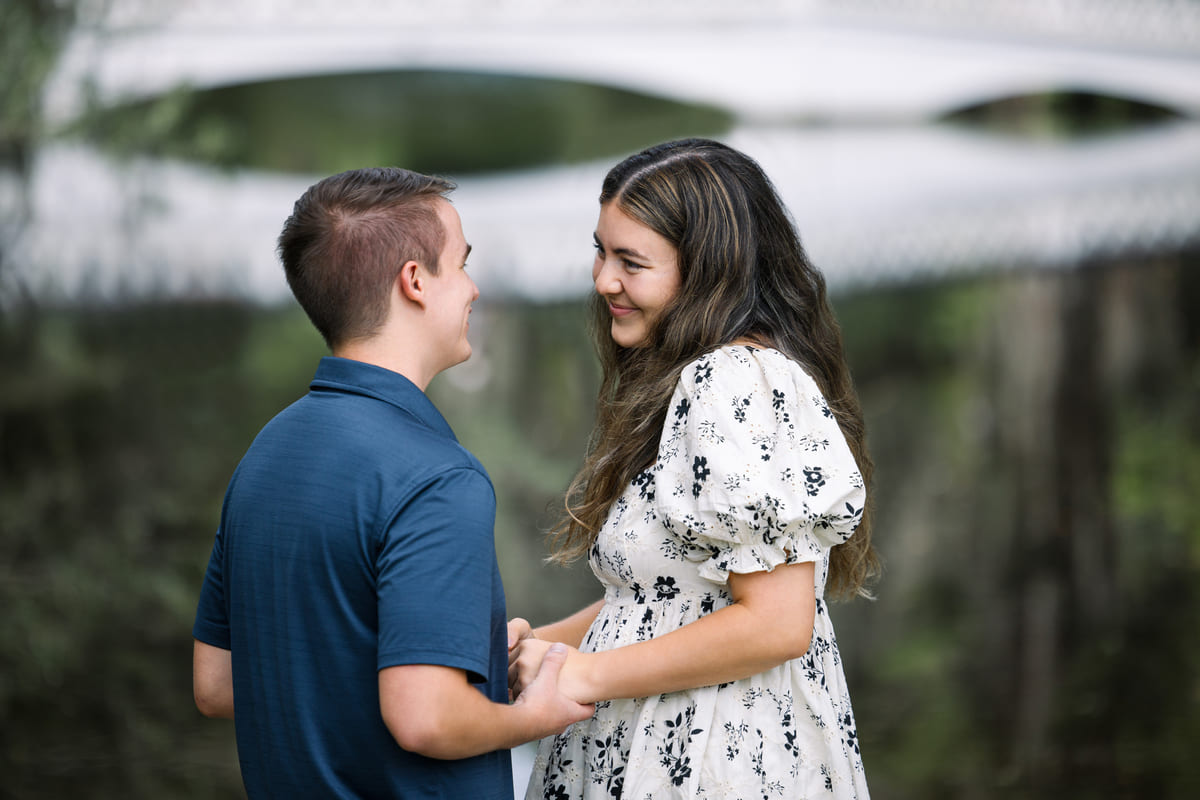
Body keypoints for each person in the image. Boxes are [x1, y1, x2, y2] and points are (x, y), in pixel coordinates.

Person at [191, 167, 593, 799]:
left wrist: (466, 657)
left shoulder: (265, 455)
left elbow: (218, 683)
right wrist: (529, 717)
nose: (473, 289)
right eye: (460, 264)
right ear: (414, 282)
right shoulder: (437, 478)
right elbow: (425, 717)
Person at [508, 139, 879, 799]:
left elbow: (775, 623)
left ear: (709, 271)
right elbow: (664, 598)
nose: (603, 280)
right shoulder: (698, 381)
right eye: (601, 250)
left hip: (718, 761)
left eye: (631, 261)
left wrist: (577, 677)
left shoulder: (733, 379)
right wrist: (536, 648)